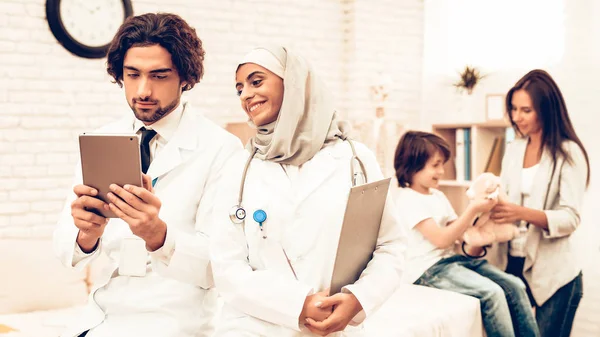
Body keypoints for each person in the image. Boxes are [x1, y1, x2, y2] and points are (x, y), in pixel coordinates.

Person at [53, 13, 242, 337]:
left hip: (175, 322)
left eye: (159, 76)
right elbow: (64, 252)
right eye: (133, 74)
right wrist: (87, 235)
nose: (143, 90)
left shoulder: (222, 149)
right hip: (102, 318)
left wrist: (158, 235)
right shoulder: (101, 139)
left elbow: (221, 268)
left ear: (185, 76)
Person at [209, 46, 406, 336]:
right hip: (253, 327)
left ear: (294, 82)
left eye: (256, 81)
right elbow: (226, 266)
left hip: (335, 328)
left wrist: (358, 299)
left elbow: (390, 246)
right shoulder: (238, 168)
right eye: (239, 89)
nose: (246, 95)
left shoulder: (355, 157)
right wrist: (297, 304)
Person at [475, 69, 589, 337]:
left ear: (546, 109)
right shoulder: (514, 148)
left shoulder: (568, 152)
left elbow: (571, 217)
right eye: (513, 109)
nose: (516, 117)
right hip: (512, 263)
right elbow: (504, 198)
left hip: (555, 275)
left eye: (526, 110)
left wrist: (520, 213)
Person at [394, 131, 540, 337]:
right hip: (426, 271)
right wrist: (472, 209)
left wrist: (484, 211)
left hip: (451, 262)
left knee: (515, 285)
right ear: (412, 165)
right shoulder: (407, 199)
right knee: (492, 294)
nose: (442, 171)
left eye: (442, 164)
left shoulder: (437, 196)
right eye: (435, 165)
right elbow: (443, 239)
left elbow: (463, 232)